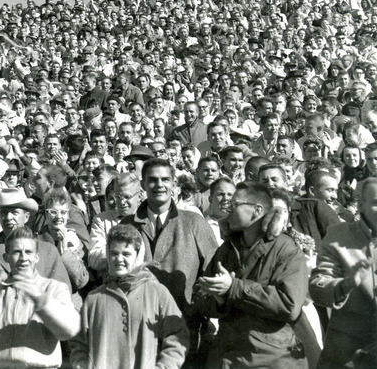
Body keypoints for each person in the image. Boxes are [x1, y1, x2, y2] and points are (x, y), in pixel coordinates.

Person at [114, 158, 218, 364]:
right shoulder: (126, 225)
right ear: (143, 185)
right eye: (152, 180)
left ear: (174, 185)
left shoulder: (194, 222)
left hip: (184, 327)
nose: (159, 185)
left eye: (165, 179)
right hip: (138, 327)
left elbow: (213, 271)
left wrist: (195, 308)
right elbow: (114, 275)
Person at [195, 182, 309, 367]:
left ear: (257, 210)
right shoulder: (227, 249)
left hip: (269, 358)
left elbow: (289, 304)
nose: (227, 210)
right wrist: (220, 300)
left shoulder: (286, 249)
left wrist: (234, 288)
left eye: (234, 205)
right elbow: (202, 297)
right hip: (227, 357)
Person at [0, 226, 79, 367]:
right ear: (6, 257)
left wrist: (40, 299)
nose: (23, 258)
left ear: (37, 257)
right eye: (16, 252)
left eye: (28, 252)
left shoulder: (54, 288)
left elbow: (69, 330)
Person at [70, 224, 189, 369]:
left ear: (138, 255)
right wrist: (82, 365)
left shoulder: (157, 292)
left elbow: (177, 337)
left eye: (126, 254)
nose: (119, 259)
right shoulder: (94, 298)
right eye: (114, 253)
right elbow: (79, 344)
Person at [310, 177, 377, 368]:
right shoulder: (339, 235)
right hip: (347, 353)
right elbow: (317, 287)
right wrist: (344, 284)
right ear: (360, 205)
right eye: (376, 203)